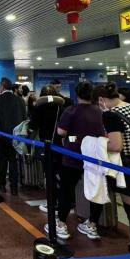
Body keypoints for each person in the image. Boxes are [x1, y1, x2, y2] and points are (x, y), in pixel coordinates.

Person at [95, 83, 130, 259]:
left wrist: (96, 143)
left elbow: (116, 145)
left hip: (128, 166)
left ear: (101, 100)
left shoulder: (111, 115)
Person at [53, 82, 106, 241]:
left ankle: (61, 223)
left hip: (73, 154)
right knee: (96, 190)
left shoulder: (71, 110)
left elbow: (61, 132)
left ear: (77, 94)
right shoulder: (99, 111)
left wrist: (74, 137)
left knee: (67, 189)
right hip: (95, 155)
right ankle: (92, 225)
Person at [0, 77, 27, 195]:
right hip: (16, 135)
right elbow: (24, 117)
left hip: (1, 135)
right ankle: (14, 187)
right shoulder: (19, 100)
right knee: (13, 160)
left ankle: (2, 184)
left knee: (2, 160)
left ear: (2, 86)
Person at [30, 86, 66, 214]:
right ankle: (63, 202)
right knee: (61, 175)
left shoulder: (39, 109)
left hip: (46, 146)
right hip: (61, 147)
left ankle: (52, 203)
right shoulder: (62, 108)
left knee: (50, 175)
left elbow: (33, 126)